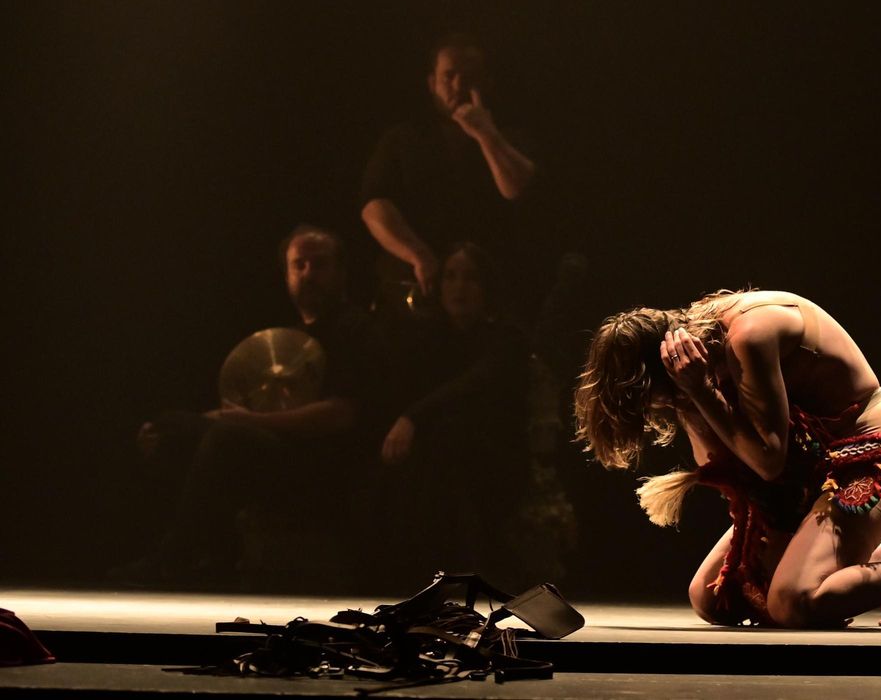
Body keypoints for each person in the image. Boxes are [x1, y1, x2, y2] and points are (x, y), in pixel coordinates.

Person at [572, 288, 881, 631]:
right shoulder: (695, 369)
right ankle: (859, 567)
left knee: (794, 602)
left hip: (870, 459)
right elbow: (732, 470)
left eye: (661, 399)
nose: (664, 410)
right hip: (804, 479)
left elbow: (767, 460)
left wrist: (700, 392)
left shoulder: (751, 334)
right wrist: (694, 401)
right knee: (713, 599)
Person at [112, 225, 388, 588]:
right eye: (299, 265)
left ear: (341, 273)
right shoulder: (286, 338)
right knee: (168, 429)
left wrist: (251, 421)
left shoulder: (356, 330)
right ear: (287, 274)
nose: (308, 274)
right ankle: (212, 556)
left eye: (319, 265)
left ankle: (173, 560)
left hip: (321, 465)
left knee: (228, 438)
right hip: (275, 447)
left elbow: (341, 415)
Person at [376, 241, 573, 588]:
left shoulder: (507, 338)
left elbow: (475, 384)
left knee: (452, 441)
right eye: (451, 277)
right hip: (439, 455)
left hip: (497, 459)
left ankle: (462, 573)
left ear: (487, 287)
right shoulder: (431, 338)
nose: (459, 287)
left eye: (470, 278)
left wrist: (412, 418)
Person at [359, 32, 538, 316]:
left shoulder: (509, 137)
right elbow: (374, 206)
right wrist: (418, 254)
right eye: (449, 76)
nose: (459, 85)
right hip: (417, 293)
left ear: (487, 82)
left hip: (491, 295)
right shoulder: (403, 138)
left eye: (470, 77)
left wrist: (486, 135)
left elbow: (517, 188)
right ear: (432, 83)